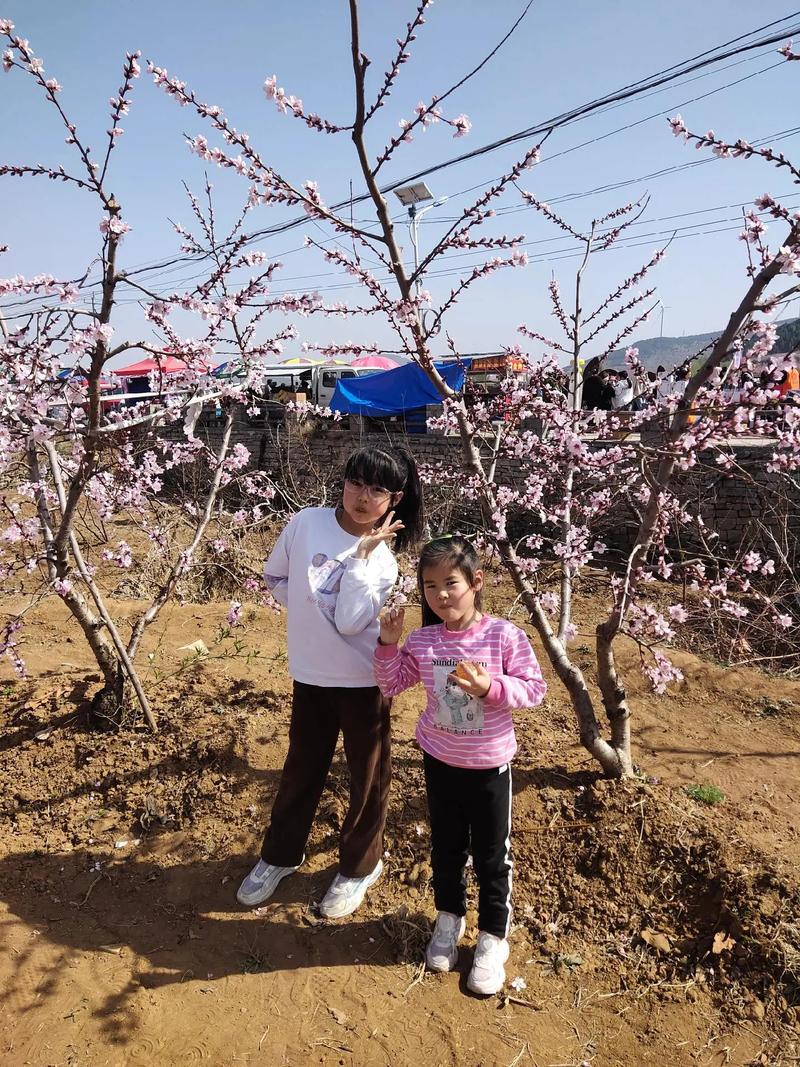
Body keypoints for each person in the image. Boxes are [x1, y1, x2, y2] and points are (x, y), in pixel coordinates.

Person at [237, 446, 425, 919]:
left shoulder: (384, 562)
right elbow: (275, 576)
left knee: (366, 776)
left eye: (377, 489)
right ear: (342, 481)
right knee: (301, 768)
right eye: (356, 482)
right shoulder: (305, 523)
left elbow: (347, 623)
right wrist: (304, 613)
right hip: (310, 674)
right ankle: (280, 855)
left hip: (363, 680)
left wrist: (362, 556)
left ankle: (361, 866)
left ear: (394, 500)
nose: (363, 496)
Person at [374, 536, 547, 995]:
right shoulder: (425, 640)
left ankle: (492, 938)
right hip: (439, 761)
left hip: (489, 766)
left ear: (476, 582)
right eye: (430, 586)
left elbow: (534, 691)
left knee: (493, 855)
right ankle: (448, 920)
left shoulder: (503, 635)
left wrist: (491, 687)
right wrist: (388, 644)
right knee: (446, 849)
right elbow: (391, 684)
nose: (441, 595)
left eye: (451, 583)